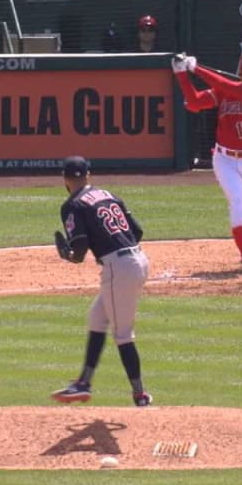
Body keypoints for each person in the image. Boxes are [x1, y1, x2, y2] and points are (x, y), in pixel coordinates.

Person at [50, 156, 153, 408]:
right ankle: (83, 382)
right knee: (97, 317)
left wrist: (69, 256)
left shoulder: (73, 205)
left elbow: (81, 249)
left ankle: (140, 395)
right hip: (138, 259)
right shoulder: (109, 195)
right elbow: (137, 231)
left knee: (123, 334)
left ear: (64, 178)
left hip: (119, 269)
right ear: (88, 175)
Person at [172, 50, 242, 272]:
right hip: (224, 158)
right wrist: (182, 74)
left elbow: (230, 88)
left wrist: (196, 69)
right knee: (237, 201)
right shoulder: (227, 91)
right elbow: (194, 102)